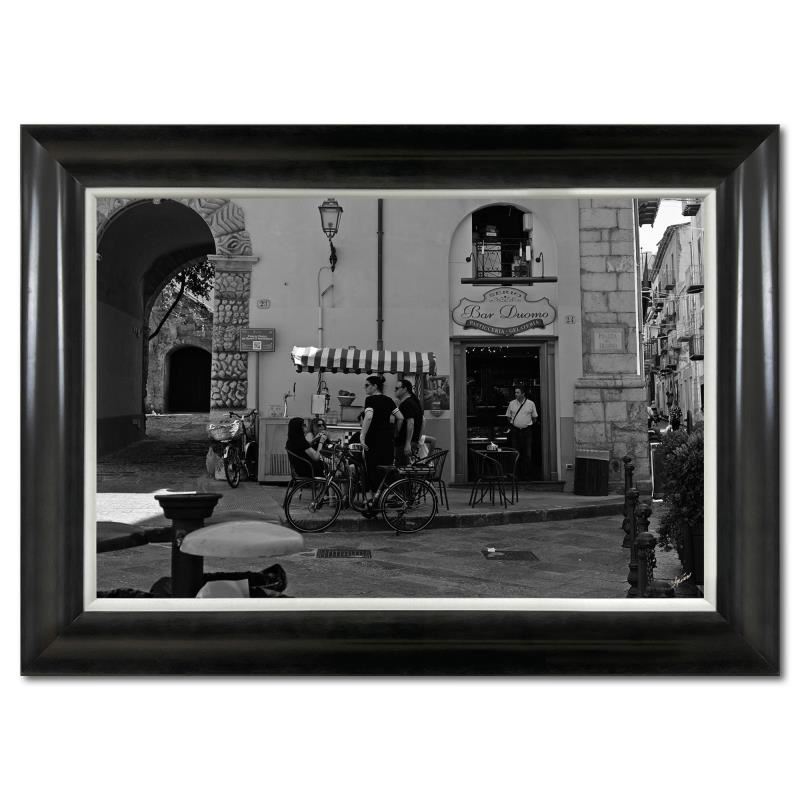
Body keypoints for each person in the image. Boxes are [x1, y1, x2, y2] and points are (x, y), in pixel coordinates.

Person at [360, 375, 403, 505]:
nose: (365, 388)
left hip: (373, 440)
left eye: (367, 385)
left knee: (371, 469)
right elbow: (400, 417)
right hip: (387, 440)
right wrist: (394, 432)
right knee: (384, 470)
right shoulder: (389, 400)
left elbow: (368, 417)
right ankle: (383, 499)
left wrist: (362, 435)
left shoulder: (370, 399)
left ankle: (371, 500)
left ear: (375, 386)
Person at [505, 385, 538, 480]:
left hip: (527, 431)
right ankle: (516, 475)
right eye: (515, 392)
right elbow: (508, 416)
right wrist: (514, 423)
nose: (515, 394)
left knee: (527, 454)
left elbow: (535, 417)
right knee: (515, 452)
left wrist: (526, 424)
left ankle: (526, 475)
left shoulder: (531, 403)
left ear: (523, 394)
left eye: (518, 392)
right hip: (515, 431)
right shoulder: (511, 403)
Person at [393, 379, 423, 466]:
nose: (394, 391)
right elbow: (423, 421)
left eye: (397, 388)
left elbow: (411, 423)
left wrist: (407, 444)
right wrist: (417, 439)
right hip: (410, 442)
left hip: (404, 443)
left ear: (405, 389)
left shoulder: (407, 403)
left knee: (402, 469)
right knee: (406, 469)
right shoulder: (414, 401)